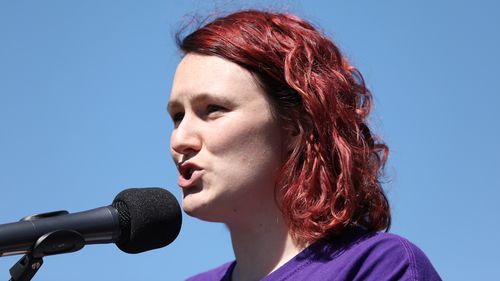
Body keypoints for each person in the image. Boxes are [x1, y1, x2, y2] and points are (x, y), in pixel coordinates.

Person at [168, 9, 441, 281]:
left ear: (296, 127)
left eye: (213, 109)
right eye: (177, 116)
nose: (180, 139)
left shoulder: (378, 267)